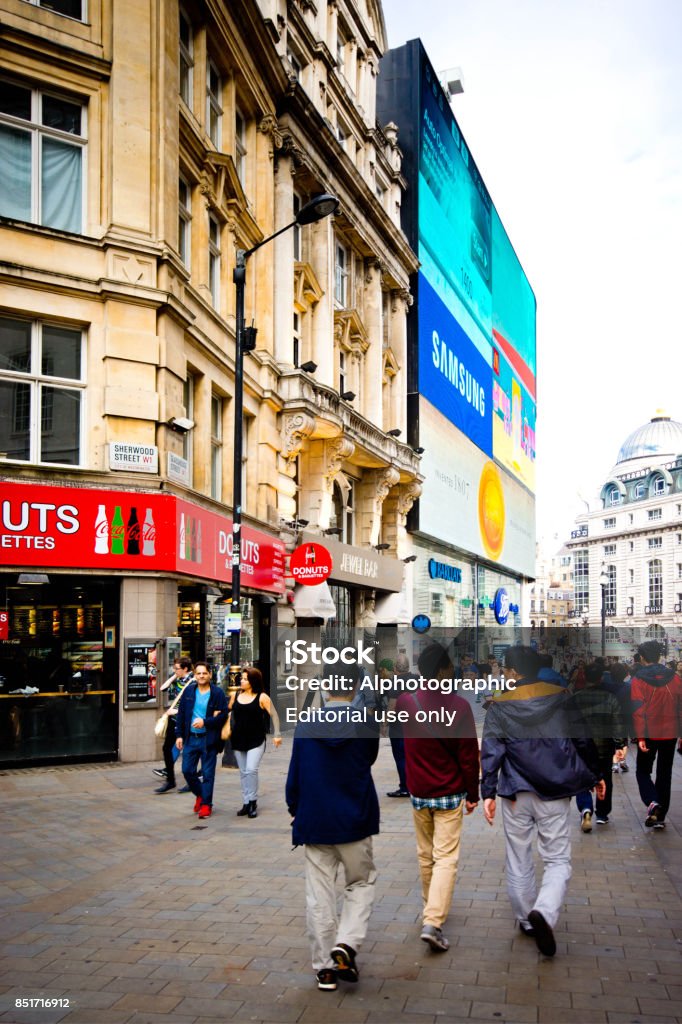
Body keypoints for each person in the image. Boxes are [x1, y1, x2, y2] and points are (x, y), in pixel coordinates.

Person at [481, 645, 604, 957]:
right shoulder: (561, 696)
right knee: (557, 859)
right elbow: (582, 739)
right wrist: (596, 774)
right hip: (554, 791)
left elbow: (492, 751)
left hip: (514, 793)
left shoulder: (500, 705)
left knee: (518, 857)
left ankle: (526, 919)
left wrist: (487, 792)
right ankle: (545, 911)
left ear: (511, 671)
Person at [285, 666, 380, 992]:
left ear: (326, 686)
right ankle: (347, 944)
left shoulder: (306, 725)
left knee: (319, 895)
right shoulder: (366, 724)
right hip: (354, 817)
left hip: (316, 819)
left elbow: (295, 773)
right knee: (360, 883)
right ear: (354, 687)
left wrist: (295, 808)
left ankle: (325, 968)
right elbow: (367, 760)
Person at [395, 643, 479, 953]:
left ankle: (431, 910)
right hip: (449, 792)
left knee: (425, 855)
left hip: (419, 791)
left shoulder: (406, 702)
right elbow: (468, 755)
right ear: (444, 670)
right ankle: (433, 919)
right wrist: (474, 793)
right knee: (446, 857)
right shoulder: (459, 707)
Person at [631, 640, 682, 829]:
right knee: (665, 773)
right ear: (659, 656)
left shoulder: (638, 680)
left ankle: (653, 802)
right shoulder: (676, 678)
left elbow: (638, 710)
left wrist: (640, 737)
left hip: (649, 733)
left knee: (643, 771)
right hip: (670, 733)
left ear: (642, 658)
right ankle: (660, 817)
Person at [572, 663, 627, 829]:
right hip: (604, 747)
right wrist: (620, 744)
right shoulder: (610, 698)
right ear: (601, 678)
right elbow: (617, 724)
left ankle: (586, 808)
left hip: (582, 748)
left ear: (585, 677)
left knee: (582, 779)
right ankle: (602, 813)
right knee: (605, 779)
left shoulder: (576, 698)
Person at [175, 661, 228, 819]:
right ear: (195, 675)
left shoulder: (217, 693)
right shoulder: (189, 692)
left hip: (209, 740)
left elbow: (223, 716)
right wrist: (179, 735)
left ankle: (206, 804)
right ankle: (200, 794)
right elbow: (181, 714)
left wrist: (206, 721)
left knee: (207, 774)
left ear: (210, 675)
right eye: (199, 673)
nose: (202, 676)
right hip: (191, 738)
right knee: (187, 771)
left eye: (205, 673)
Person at [229, 666, 281, 818]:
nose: (242, 681)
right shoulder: (236, 695)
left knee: (251, 770)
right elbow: (228, 712)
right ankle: (245, 802)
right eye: (242, 678)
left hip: (256, 739)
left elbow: (275, 715)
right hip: (238, 738)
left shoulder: (262, 697)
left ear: (253, 681)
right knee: (243, 772)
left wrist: (277, 734)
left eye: (245, 679)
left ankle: (253, 801)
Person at [154, 656, 193, 793]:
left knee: (189, 751)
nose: (174, 670)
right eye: (174, 668)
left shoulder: (192, 682)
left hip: (185, 720)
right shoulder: (179, 679)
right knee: (166, 748)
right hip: (174, 718)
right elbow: (162, 688)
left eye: (177, 668)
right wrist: (173, 676)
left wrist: (175, 710)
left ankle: (191, 781)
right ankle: (170, 780)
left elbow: (192, 705)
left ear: (185, 669)